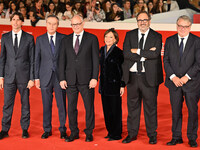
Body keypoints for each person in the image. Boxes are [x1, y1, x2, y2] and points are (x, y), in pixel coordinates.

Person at [122, 11, 163, 144]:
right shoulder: (130, 35)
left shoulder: (157, 36)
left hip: (149, 77)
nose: (142, 22)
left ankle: (152, 134)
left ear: (149, 21)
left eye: (145, 20)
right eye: (140, 20)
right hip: (132, 77)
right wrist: (145, 54)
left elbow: (155, 54)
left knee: (150, 107)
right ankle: (132, 133)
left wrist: (138, 51)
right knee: (132, 107)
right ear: (137, 21)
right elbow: (127, 54)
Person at [58, 15, 99, 142]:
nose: (75, 26)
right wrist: (62, 78)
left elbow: (95, 60)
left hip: (87, 80)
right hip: (70, 80)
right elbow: (61, 61)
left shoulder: (92, 38)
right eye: (73, 24)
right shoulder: (65, 40)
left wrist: (94, 77)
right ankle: (74, 132)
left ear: (83, 24)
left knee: (89, 107)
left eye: (78, 24)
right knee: (71, 108)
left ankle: (89, 132)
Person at [164, 15, 200, 148]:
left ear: (190, 27)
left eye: (185, 26)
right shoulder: (169, 40)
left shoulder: (197, 41)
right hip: (174, 83)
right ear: (176, 26)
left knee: (192, 111)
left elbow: (198, 63)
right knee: (175, 111)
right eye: (180, 26)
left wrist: (186, 77)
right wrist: (173, 77)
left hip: (192, 83)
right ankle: (176, 136)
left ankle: (192, 137)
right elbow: (166, 61)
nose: (182, 29)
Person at [0, 12, 35, 139]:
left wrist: (32, 78)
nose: (15, 22)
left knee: (25, 104)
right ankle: (4, 129)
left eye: (18, 20)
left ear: (22, 22)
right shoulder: (4, 37)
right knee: (7, 104)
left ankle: (25, 129)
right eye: (13, 19)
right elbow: (2, 58)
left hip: (24, 77)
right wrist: (1, 77)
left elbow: (32, 60)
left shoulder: (29, 38)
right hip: (9, 76)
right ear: (10, 21)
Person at [35, 15, 67, 139]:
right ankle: (47, 129)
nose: (52, 26)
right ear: (46, 24)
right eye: (49, 23)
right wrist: (36, 78)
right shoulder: (40, 39)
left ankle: (63, 129)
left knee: (61, 104)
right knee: (46, 104)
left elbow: (66, 58)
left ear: (58, 25)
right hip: (44, 77)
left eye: (54, 24)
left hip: (60, 77)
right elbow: (36, 60)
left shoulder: (63, 38)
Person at [99, 28, 125, 141]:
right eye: (106, 36)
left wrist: (122, 85)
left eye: (110, 37)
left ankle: (116, 133)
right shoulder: (101, 50)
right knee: (106, 110)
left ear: (115, 39)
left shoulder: (119, 52)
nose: (108, 39)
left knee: (115, 110)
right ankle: (110, 131)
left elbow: (122, 70)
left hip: (115, 85)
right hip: (104, 86)